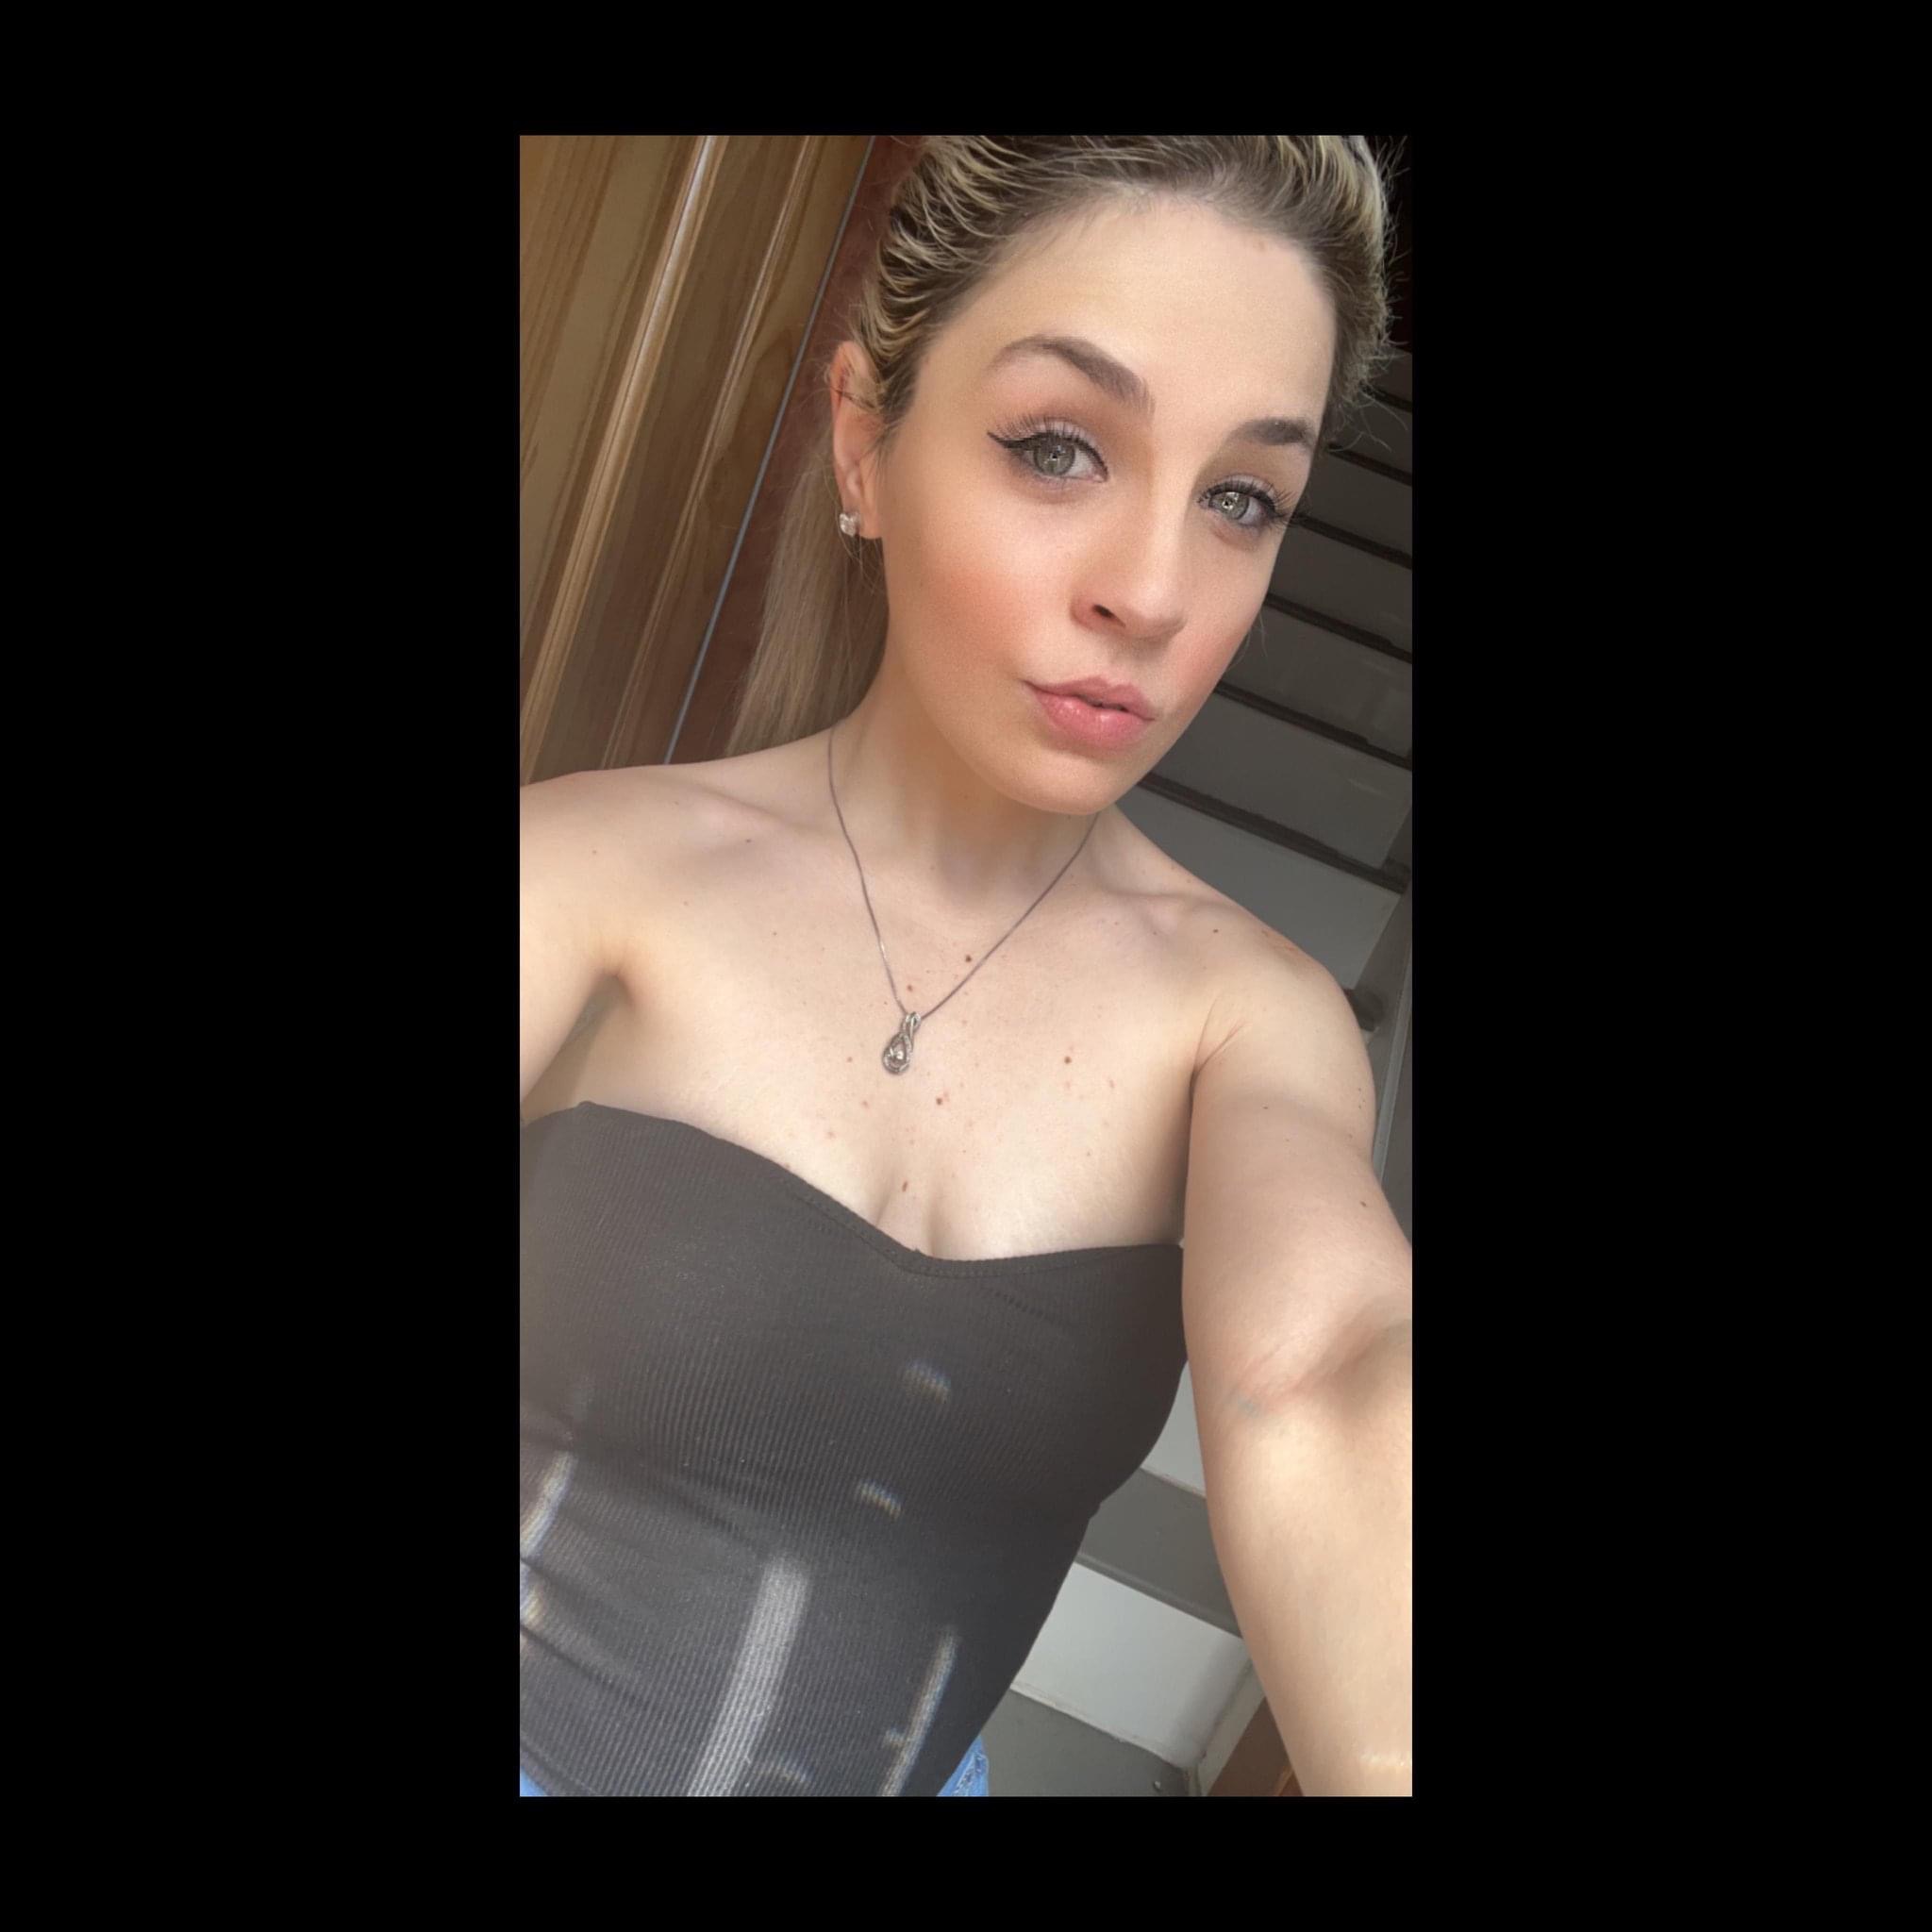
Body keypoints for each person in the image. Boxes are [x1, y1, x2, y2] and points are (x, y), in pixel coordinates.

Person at [520, 136, 1413, 1798]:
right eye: (1060, 447)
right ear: (867, 438)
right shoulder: (586, 876)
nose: (1152, 592)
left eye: (1241, 498)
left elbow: (1328, 1374)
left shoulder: (1252, 1023)